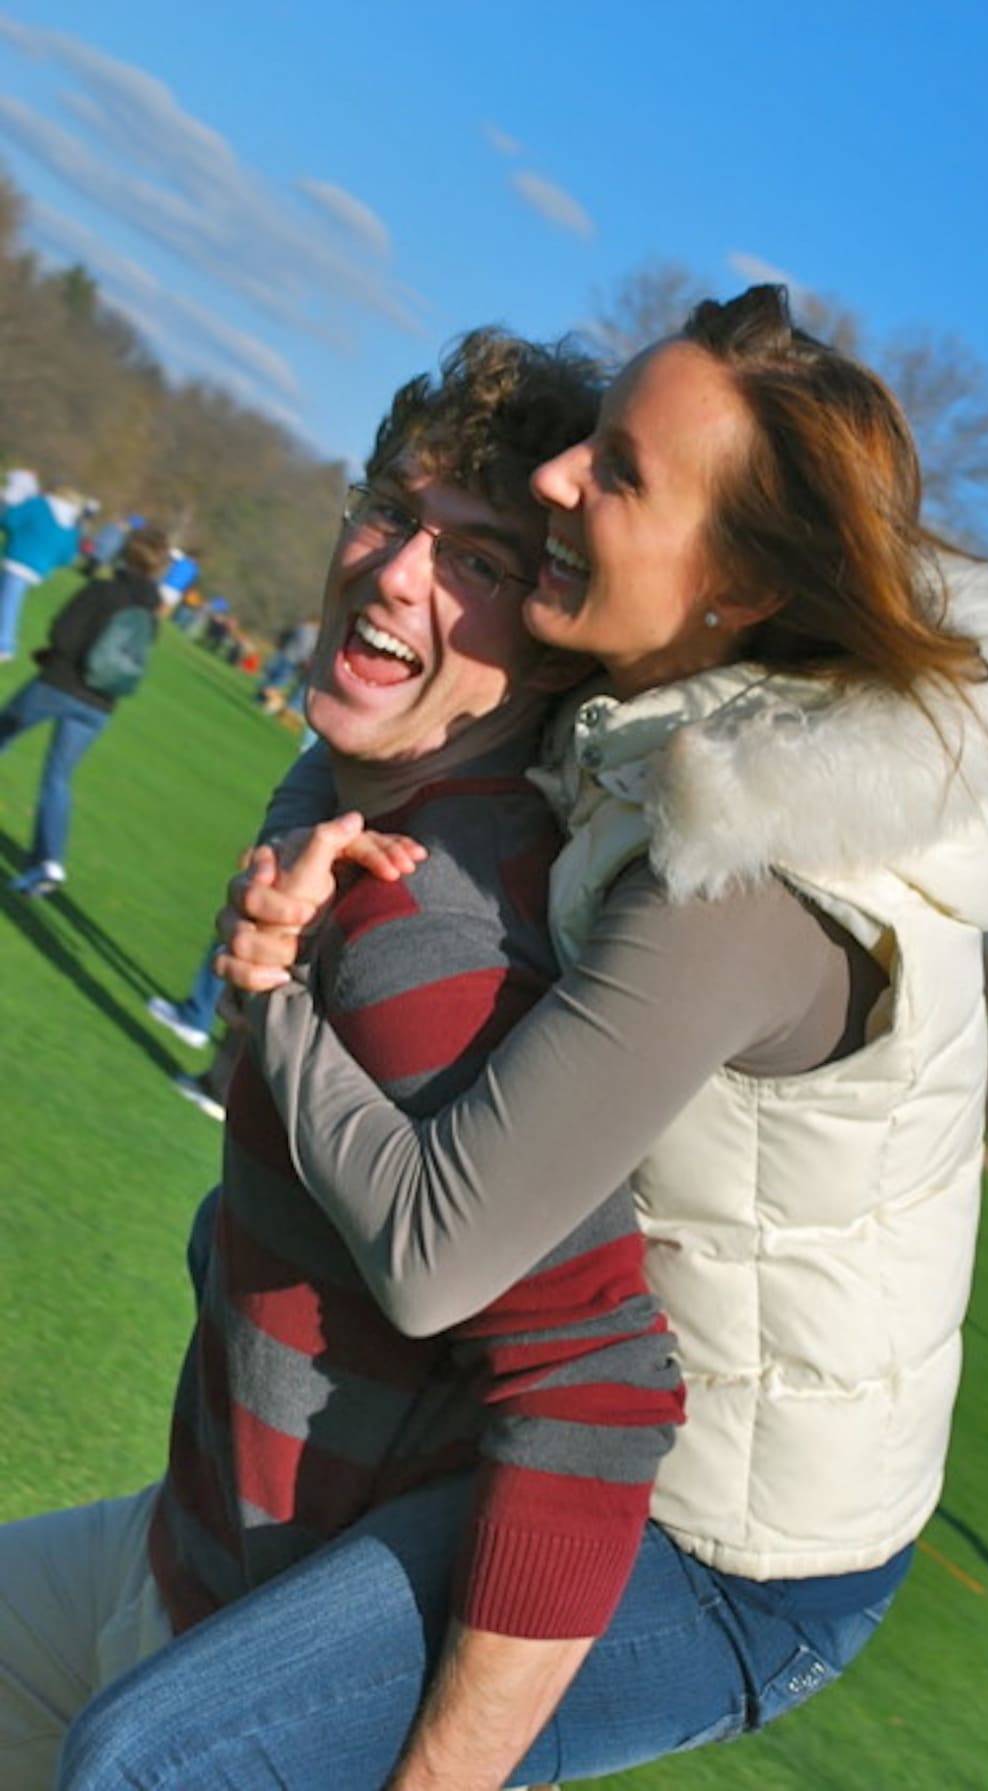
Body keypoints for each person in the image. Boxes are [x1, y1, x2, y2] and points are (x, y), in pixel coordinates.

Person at [57, 286, 988, 1789]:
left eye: (618, 472)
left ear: (733, 591)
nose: (555, 481)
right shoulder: (661, 731)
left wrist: (270, 990)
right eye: (586, 441)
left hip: (733, 1548)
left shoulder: (742, 871)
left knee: (157, 1756)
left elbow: (446, 1248)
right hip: (592, 1435)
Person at [0, 330, 683, 1791]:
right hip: (165, 1547)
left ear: (552, 629)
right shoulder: (340, 787)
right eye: (391, 510)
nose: (395, 573)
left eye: (482, 562)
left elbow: (598, 1394)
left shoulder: (429, 925)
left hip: (233, 1670)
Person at [2, 526, 170, 897]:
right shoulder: (151, 613)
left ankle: (45, 864)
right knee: (58, 779)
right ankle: (49, 863)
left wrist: (51, 658)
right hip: (100, 704)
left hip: (58, 684)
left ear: (126, 554)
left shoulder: (103, 590)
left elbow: (63, 635)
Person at [0, 484, 83, 662]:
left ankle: (5, 645)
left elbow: (10, 519)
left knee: (9, 603)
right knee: (8, 598)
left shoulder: (39, 504)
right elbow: (68, 556)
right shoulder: (72, 525)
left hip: (18, 557)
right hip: (38, 569)